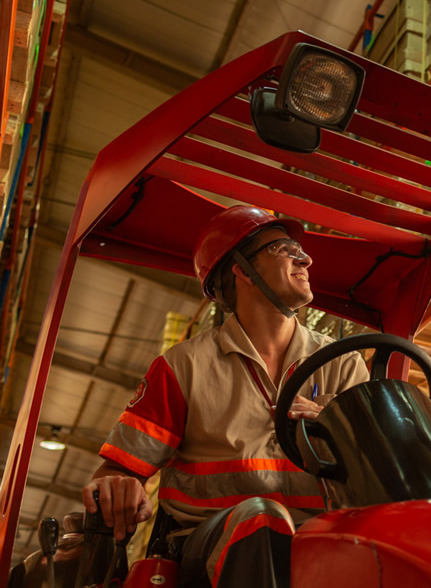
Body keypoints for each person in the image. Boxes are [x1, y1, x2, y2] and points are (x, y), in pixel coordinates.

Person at [80, 205, 368, 587]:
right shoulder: (184, 367)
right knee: (260, 519)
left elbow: (383, 464)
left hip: (321, 538)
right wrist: (118, 484)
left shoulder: (344, 363)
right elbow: (117, 472)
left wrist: (336, 426)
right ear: (242, 270)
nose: (306, 257)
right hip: (209, 547)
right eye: (284, 248)